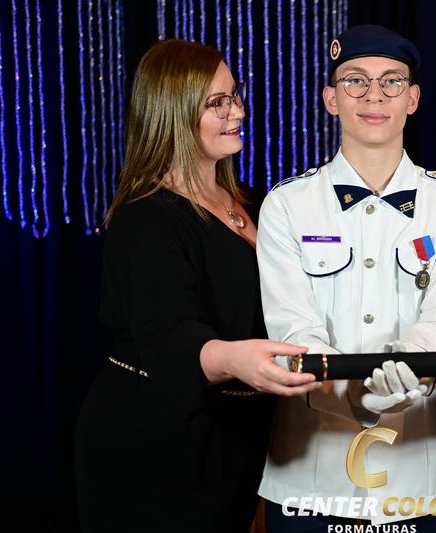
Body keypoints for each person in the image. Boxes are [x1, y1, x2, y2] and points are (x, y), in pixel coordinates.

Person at [75, 39, 320, 533]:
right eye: (217, 103)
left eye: (235, 95)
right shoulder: (146, 218)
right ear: (172, 113)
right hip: (158, 444)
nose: (238, 112)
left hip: (236, 437)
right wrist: (236, 359)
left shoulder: (255, 203)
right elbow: (168, 338)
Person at [256, 25, 436, 532]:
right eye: (355, 80)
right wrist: (353, 394)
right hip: (308, 479)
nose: (374, 95)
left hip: (416, 480)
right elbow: (292, 329)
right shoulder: (287, 204)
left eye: (392, 81)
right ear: (331, 99)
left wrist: (408, 379)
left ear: (413, 99)